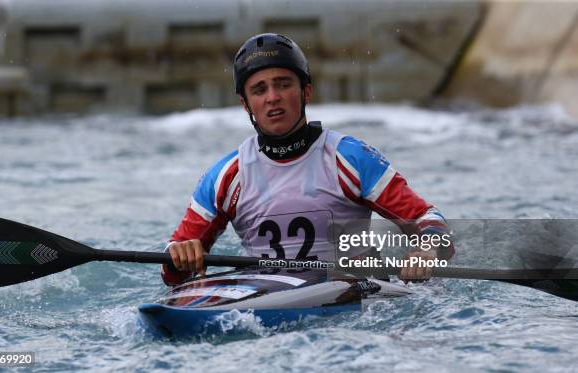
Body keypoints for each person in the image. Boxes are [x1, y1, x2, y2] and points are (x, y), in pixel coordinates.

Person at [162, 33, 453, 285]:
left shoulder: (348, 158)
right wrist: (180, 256)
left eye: (283, 84)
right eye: (259, 89)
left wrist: (427, 249)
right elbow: (171, 273)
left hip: (354, 299)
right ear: (245, 104)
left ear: (306, 92)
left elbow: (429, 219)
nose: (272, 97)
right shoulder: (226, 176)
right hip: (267, 300)